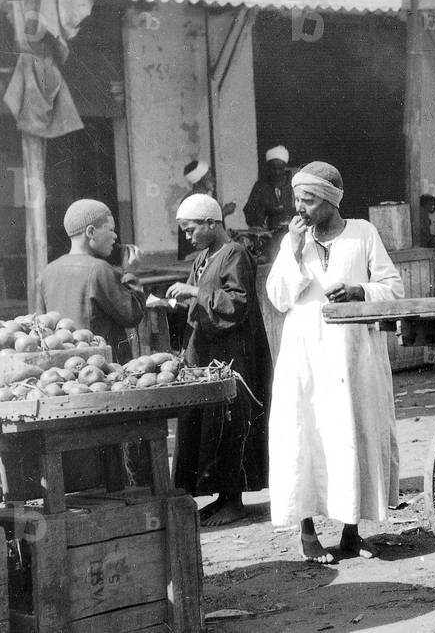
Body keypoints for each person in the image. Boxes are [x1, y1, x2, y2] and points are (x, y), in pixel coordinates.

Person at [265, 161, 403, 563]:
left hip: (353, 356)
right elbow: (278, 297)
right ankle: (307, 532)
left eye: (308, 200)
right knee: (304, 434)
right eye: (297, 199)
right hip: (305, 355)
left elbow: (393, 289)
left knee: (352, 430)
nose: (300, 208)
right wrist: (291, 253)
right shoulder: (295, 242)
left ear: (330, 201)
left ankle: (351, 531)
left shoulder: (363, 233)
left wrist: (360, 289)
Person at [164, 194, 271, 527]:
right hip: (207, 354)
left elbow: (237, 304)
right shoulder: (203, 257)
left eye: (190, 229)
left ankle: (234, 500)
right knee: (209, 423)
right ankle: (220, 496)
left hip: (232, 355)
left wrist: (194, 293)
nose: (187, 237)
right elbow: (206, 301)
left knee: (231, 422)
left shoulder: (235, 254)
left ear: (211, 223)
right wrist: (178, 301)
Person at [37, 199, 145, 363]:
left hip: (64, 365)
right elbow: (132, 315)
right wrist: (130, 273)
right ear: (91, 232)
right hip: (100, 365)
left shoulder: (47, 272)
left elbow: (40, 327)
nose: (115, 236)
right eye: (110, 229)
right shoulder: (99, 269)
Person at [177, 160, 236, 261]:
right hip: (195, 254)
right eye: (210, 175)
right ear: (202, 179)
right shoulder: (194, 199)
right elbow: (202, 229)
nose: (213, 179)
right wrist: (224, 212)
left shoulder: (200, 198)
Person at [243, 145, 295, 231]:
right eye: (273, 168)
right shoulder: (261, 185)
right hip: (268, 233)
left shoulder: (293, 184)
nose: (277, 172)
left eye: (280, 169)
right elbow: (249, 209)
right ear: (268, 168)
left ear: (285, 168)